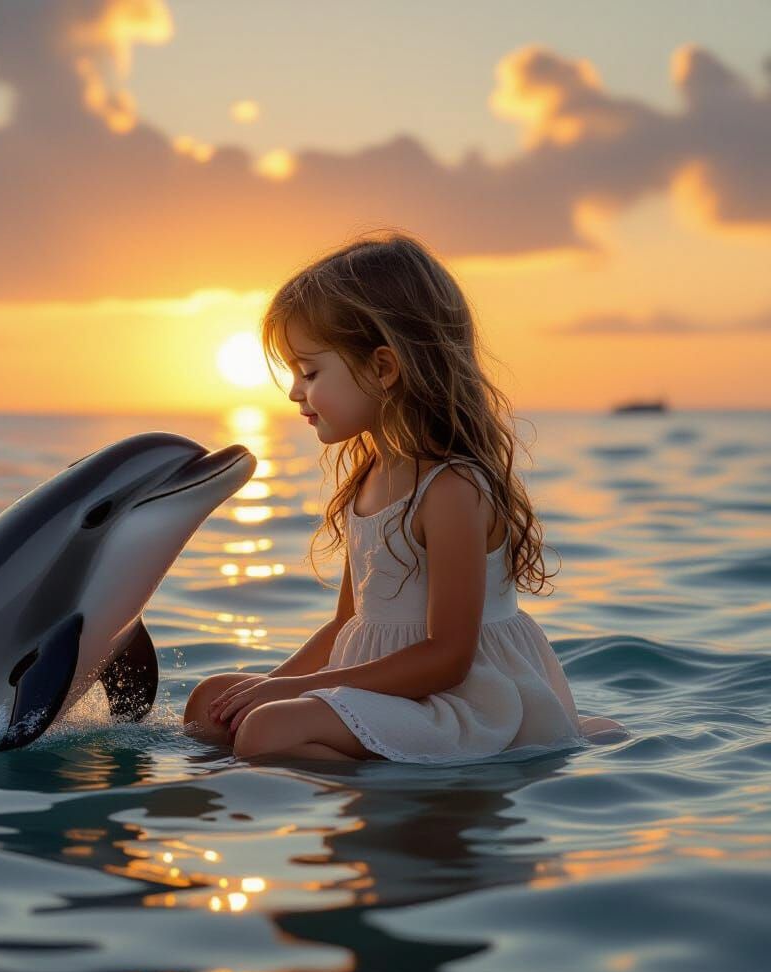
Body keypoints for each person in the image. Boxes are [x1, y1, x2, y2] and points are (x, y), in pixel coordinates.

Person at [183, 231, 624, 762]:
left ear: (384, 368)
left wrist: (280, 699)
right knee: (209, 703)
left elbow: (448, 659)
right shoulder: (368, 479)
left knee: (267, 732)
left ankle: (382, 798)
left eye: (310, 372)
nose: (295, 392)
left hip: (460, 702)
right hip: (385, 690)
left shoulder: (450, 489)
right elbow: (348, 624)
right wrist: (262, 689)